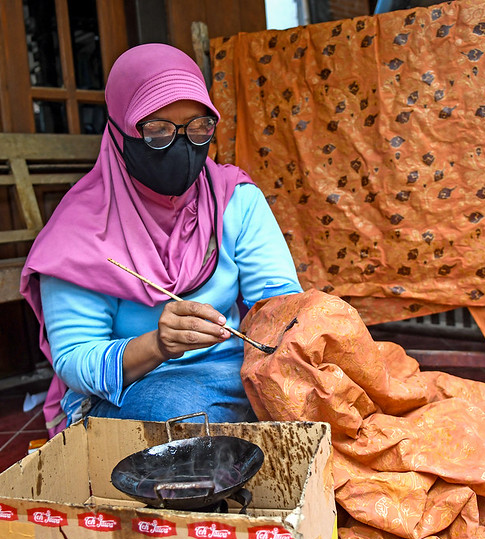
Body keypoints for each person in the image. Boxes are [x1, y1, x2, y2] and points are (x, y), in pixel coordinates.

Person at [20, 43, 302, 436]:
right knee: (171, 419)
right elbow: (75, 359)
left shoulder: (233, 199)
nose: (182, 145)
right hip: (140, 386)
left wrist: (294, 342)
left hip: (235, 369)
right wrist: (158, 345)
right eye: (156, 130)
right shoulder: (79, 232)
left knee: (314, 383)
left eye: (199, 127)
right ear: (119, 132)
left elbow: (279, 303)